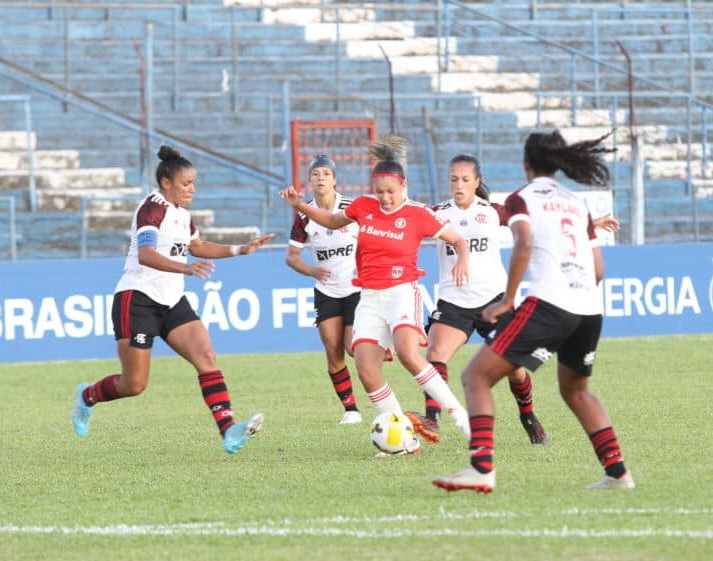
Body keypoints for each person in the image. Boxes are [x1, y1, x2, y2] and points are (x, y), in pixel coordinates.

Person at [433, 130, 634, 492]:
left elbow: (524, 242)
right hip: (589, 308)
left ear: (526, 163)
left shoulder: (520, 199)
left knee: (476, 376)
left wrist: (508, 300)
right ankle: (618, 473)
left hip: (549, 304)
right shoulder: (575, 202)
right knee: (576, 391)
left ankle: (481, 468)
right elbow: (599, 269)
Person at [71, 145, 275, 454]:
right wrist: (186, 268)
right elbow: (146, 254)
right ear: (166, 183)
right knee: (134, 384)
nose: (192, 189)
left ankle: (228, 430)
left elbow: (197, 246)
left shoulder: (182, 213)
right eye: (186, 183)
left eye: (194, 183)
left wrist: (240, 249)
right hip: (137, 299)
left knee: (206, 358)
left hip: (172, 300)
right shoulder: (152, 209)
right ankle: (87, 396)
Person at [281, 135, 472, 448]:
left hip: (401, 292)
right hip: (369, 298)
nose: (384, 198)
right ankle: (404, 438)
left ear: (403, 186)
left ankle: (462, 419)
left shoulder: (418, 213)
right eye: (379, 191)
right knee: (367, 370)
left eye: (390, 191)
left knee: (408, 353)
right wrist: (299, 205)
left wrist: (462, 261)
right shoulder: (363, 206)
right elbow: (331, 220)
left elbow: (458, 240)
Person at [416, 154, 549, 446]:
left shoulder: (492, 212)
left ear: (476, 182)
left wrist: (591, 224)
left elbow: (535, 223)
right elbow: (404, 226)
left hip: (493, 301)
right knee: (436, 354)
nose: (459, 185)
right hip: (454, 302)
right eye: (453, 179)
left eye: (465, 179)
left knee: (515, 368)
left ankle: (528, 415)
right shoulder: (435, 213)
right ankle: (432, 418)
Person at [286, 154, 363, 425]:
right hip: (327, 291)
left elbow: (374, 238)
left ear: (335, 180)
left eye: (326, 174)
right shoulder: (304, 214)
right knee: (333, 349)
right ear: (309, 180)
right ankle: (351, 410)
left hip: (356, 288)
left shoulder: (352, 208)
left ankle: (381, 353)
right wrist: (312, 271)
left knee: (353, 347)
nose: (321, 178)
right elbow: (292, 256)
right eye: (316, 174)